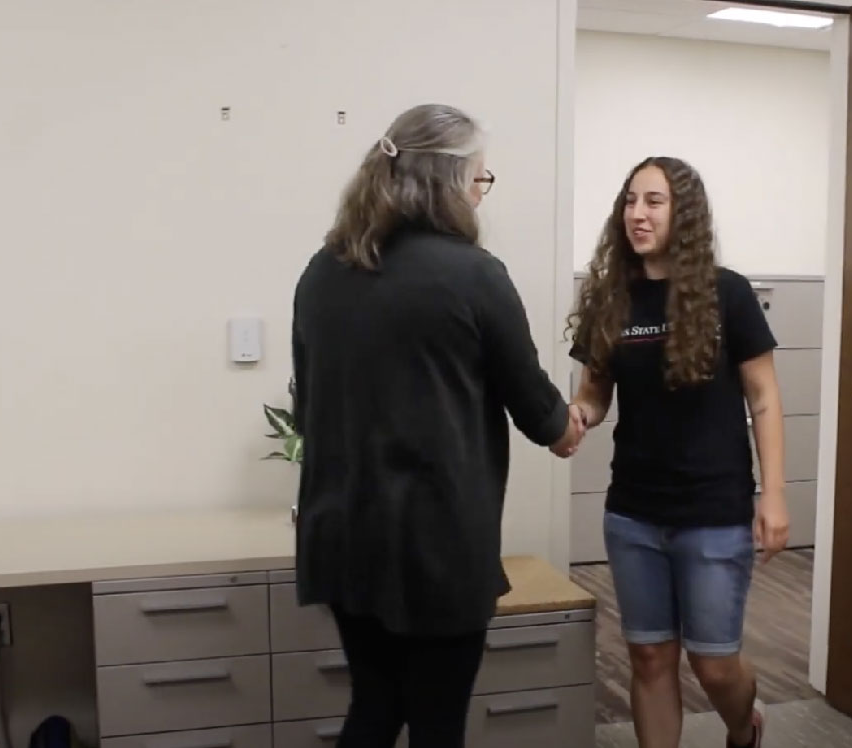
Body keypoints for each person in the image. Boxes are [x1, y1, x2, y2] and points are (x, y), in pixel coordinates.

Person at [289, 103, 584, 748]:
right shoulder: (474, 275)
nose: (481, 195)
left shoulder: (321, 273)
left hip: (343, 535)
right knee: (436, 723)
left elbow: (308, 406)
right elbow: (543, 418)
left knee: (374, 703)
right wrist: (575, 420)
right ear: (448, 181)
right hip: (435, 547)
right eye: (481, 179)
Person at [567, 156, 789, 748]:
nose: (637, 214)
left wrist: (775, 494)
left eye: (654, 201)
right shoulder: (612, 297)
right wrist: (577, 416)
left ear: (683, 212)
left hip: (714, 510)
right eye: (630, 200)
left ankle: (745, 725)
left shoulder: (728, 294)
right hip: (634, 511)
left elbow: (764, 397)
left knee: (714, 664)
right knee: (649, 658)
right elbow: (593, 391)